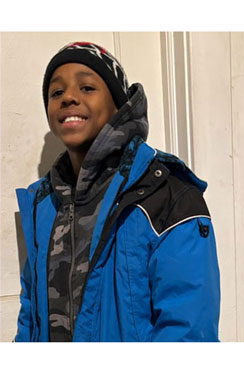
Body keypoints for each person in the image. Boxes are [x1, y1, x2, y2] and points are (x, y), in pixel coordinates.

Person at [15, 41, 220, 342]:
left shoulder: (168, 194)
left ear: (119, 105)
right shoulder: (42, 203)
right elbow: (30, 316)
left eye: (86, 87)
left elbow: (189, 333)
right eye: (56, 92)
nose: (68, 97)